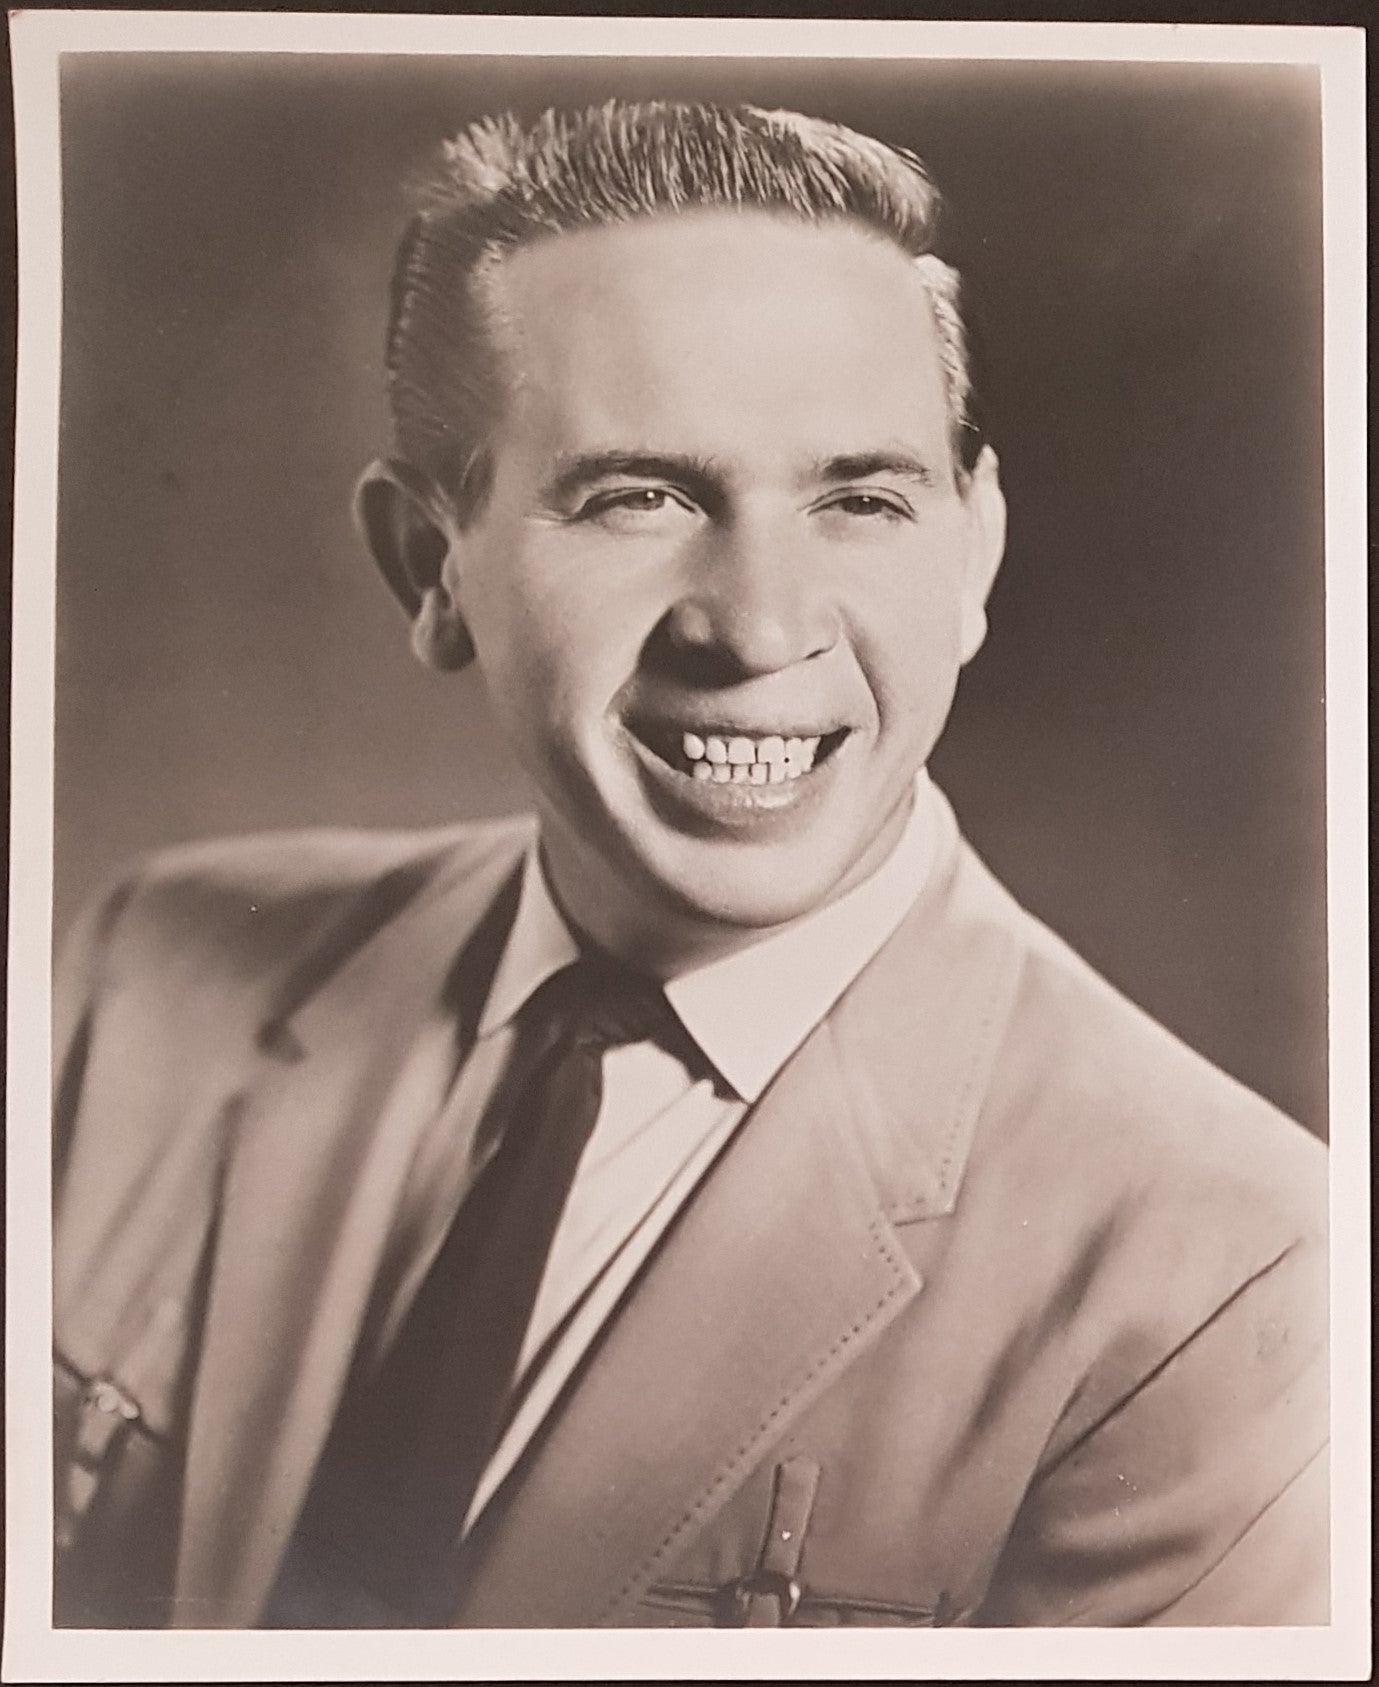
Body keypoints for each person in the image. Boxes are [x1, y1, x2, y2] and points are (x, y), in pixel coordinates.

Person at [52, 100, 1328, 1631]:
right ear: (428, 564)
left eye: (860, 500)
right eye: (638, 498)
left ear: (973, 552)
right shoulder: (144, 971)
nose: (759, 625)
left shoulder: (1238, 1277)